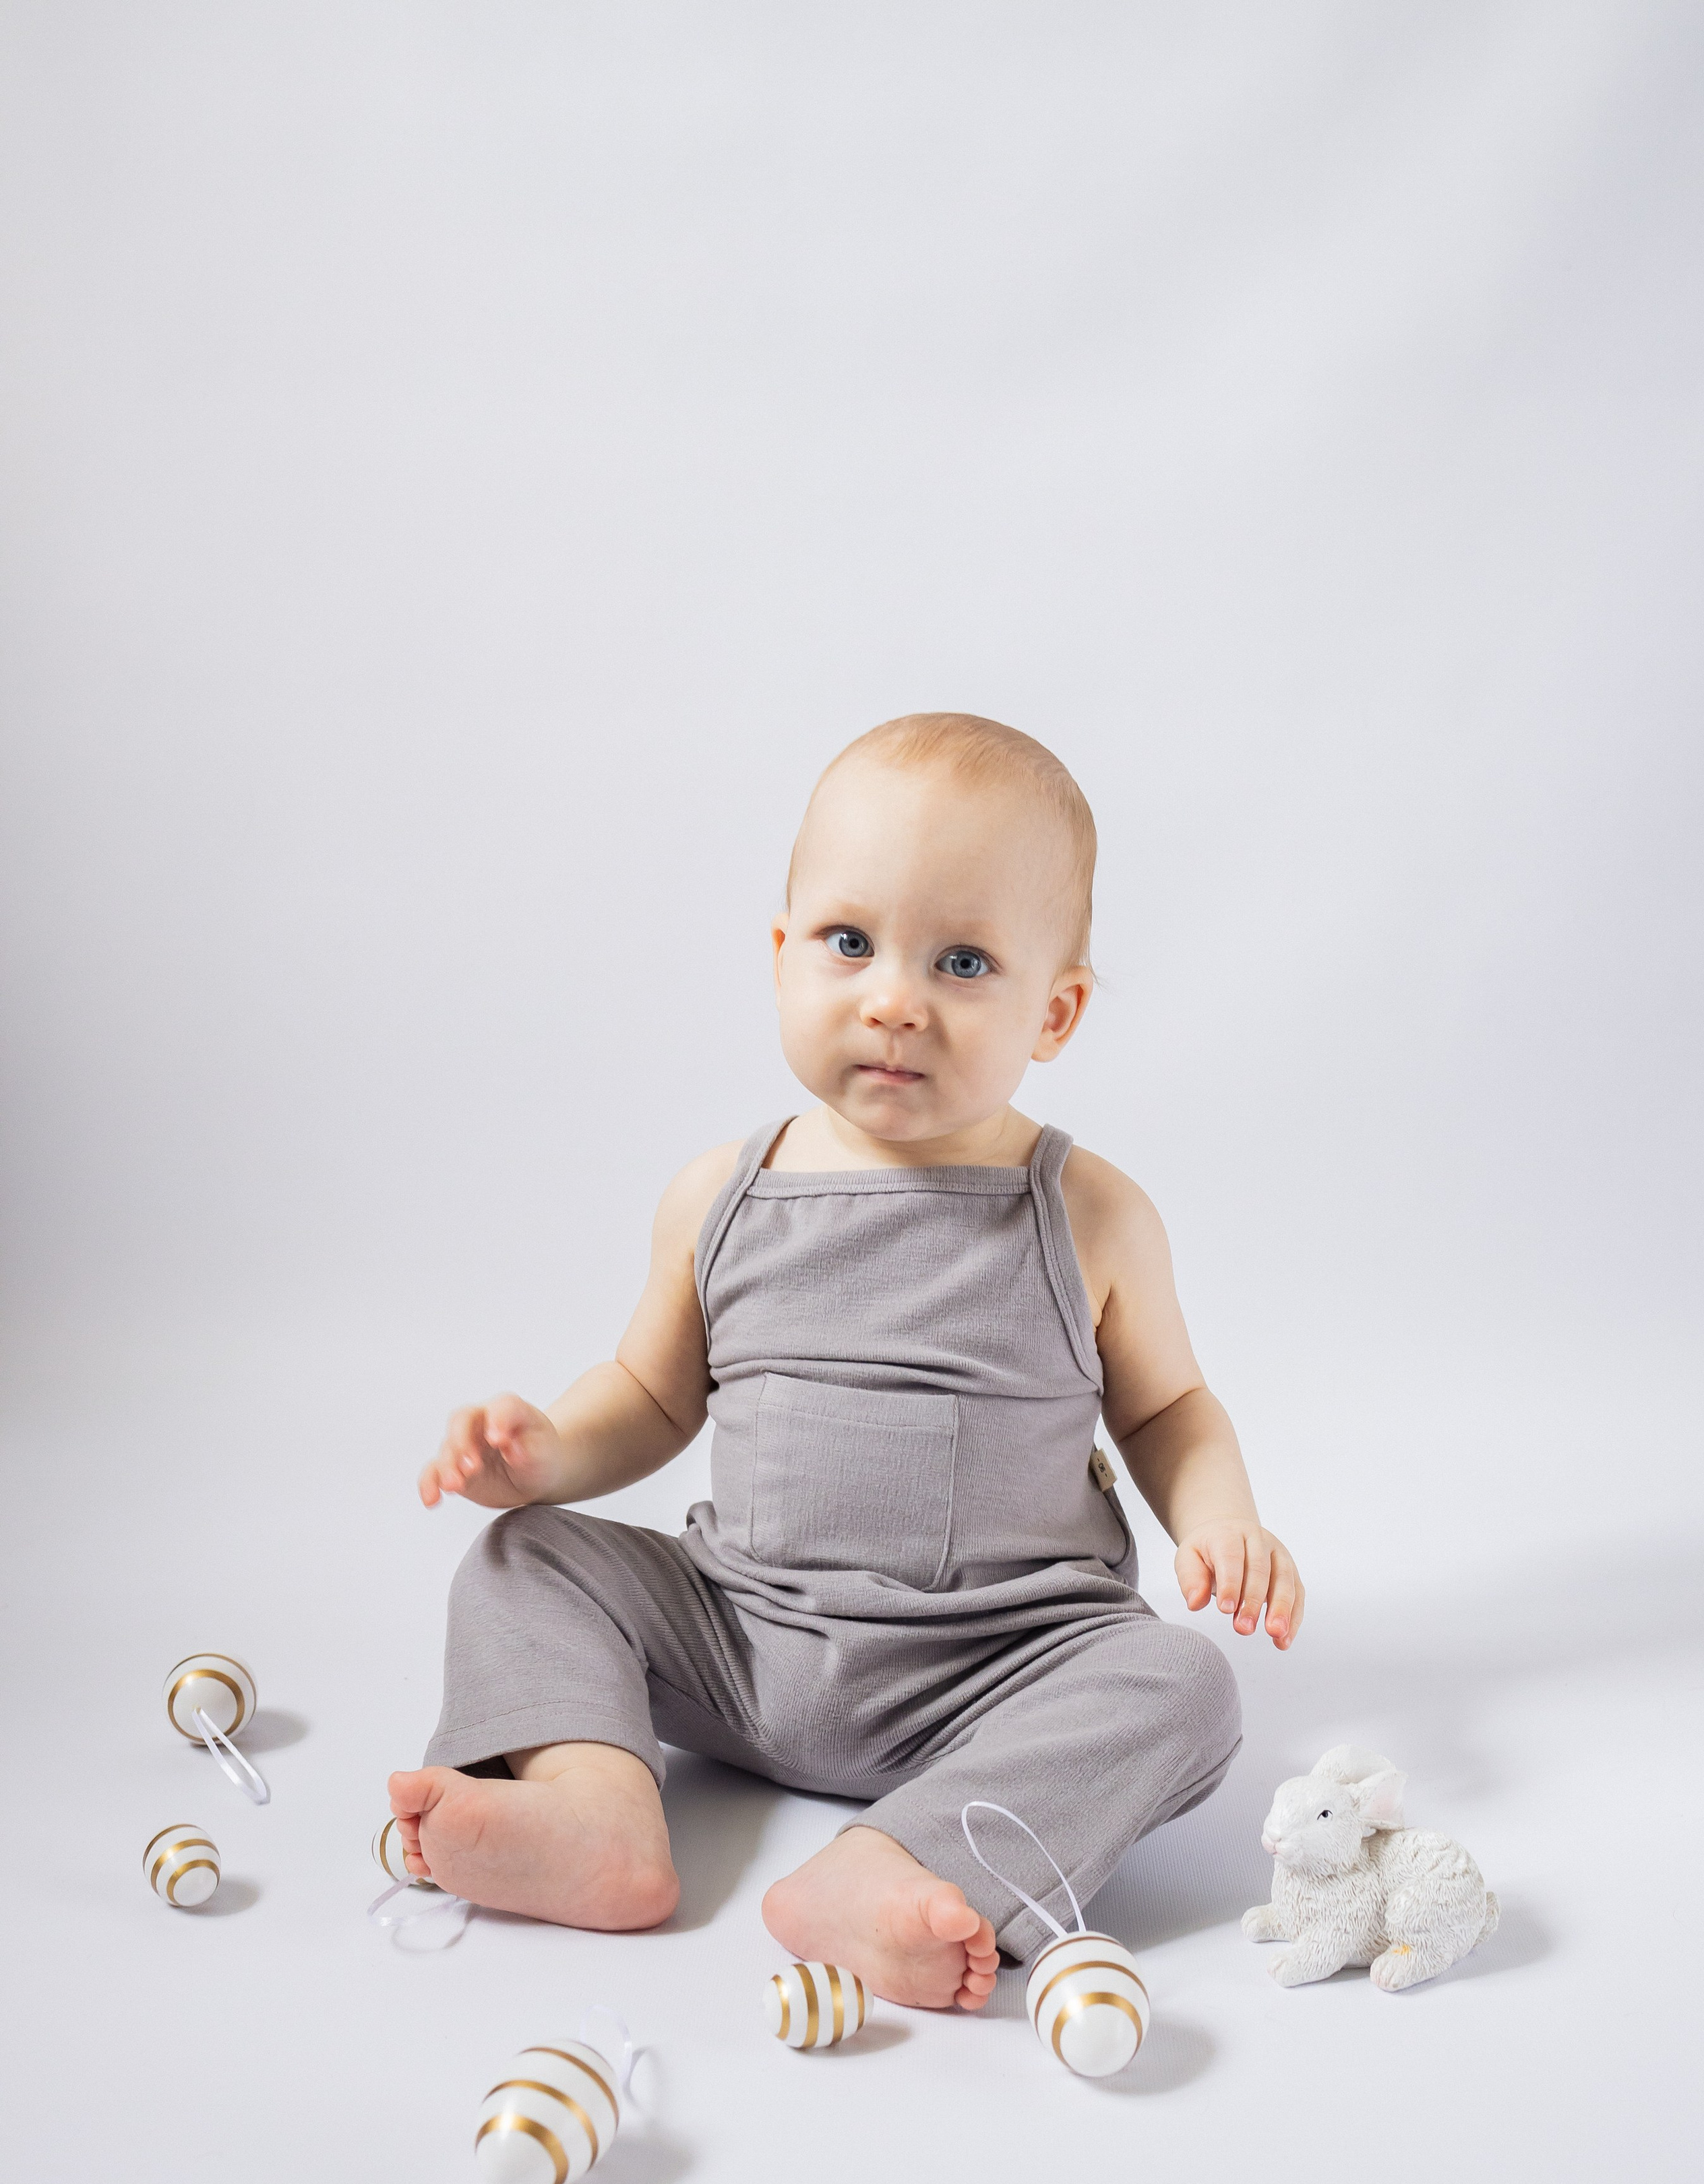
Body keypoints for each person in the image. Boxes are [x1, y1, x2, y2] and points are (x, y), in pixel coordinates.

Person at [386, 712, 1303, 2011]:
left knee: (1187, 1687)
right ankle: (594, 1809)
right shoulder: (723, 1194)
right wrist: (546, 1451)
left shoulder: (1087, 1212)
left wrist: (1225, 1519)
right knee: (529, 1556)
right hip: (739, 1639)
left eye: (964, 961)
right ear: (781, 959)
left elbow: (1168, 1409)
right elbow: (651, 1395)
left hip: (997, 1669)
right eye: (850, 943)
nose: (892, 999)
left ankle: (893, 1867)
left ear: (1058, 1011)